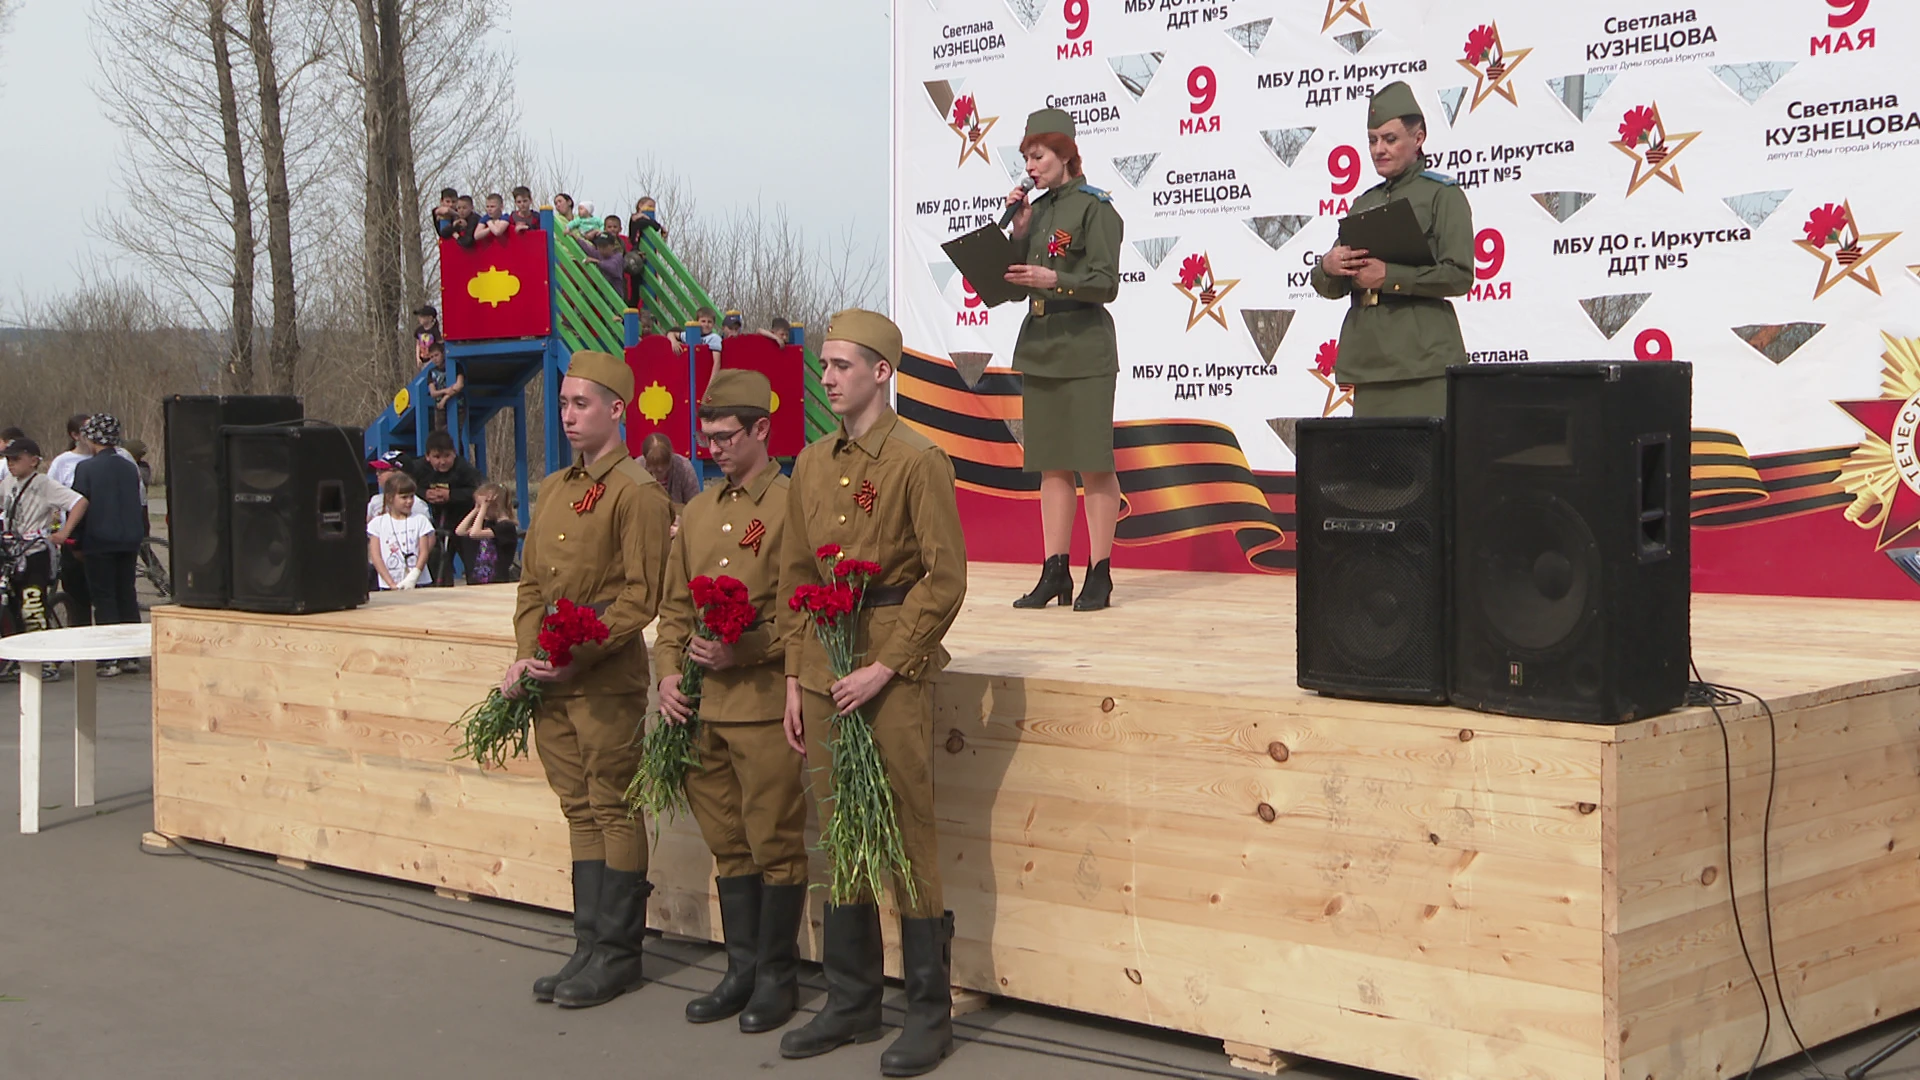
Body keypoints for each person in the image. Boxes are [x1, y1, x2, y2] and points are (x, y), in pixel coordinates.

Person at [775, 309, 968, 1074]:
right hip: (825, 664)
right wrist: (796, 674)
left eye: (842, 366)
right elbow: (795, 575)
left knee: (906, 828)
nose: (826, 378)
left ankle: (929, 1010)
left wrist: (887, 664)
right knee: (838, 824)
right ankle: (851, 1000)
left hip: (889, 667)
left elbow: (944, 577)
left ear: (882, 373)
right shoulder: (812, 464)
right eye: (823, 366)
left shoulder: (918, 461)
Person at [504, 350, 672, 1009]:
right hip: (551, 674)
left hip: (602, 677)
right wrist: (528, 653)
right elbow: (529, 587)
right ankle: (588, 943)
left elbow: (641, 597)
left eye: (581, 404)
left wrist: (582, 650)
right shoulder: (554, 489)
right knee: (578, 806)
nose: (568, 415)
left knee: (613, 805)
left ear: (616, 411)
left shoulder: (638, 492)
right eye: (565, 403)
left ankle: (619, 952)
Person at [653, 369, 807, 1033]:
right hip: (699, 709)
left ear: (761, 431)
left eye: (726, 436)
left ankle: (777, 978)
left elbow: (802, 614)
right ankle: (740, 970)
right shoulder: (700, 511)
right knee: (729, 845)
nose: (714, 448)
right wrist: (665, 673)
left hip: (761, 703)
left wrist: (743, 651)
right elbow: (673, 609)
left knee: (773, 841)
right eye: (708, 437)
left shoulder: (789, 506)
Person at [1002, 107, 1125, 613]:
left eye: (1039, 156)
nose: (1031, 167)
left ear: (1066, 153)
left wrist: (1058, 281)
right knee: (1050, 463)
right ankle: (1055, 569)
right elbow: (1012, 285)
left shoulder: (1096, 209)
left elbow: (1106, 283)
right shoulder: (1039, 212)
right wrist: (1017, 234)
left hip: (1085, 345)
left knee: (1092, 461)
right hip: (1042, 345)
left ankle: (1100, 571)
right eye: (1026, 158)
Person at [1311, 81, 1472, 419]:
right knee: (1375, 470)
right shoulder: (1362, 204)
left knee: (1426, 468)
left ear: (1418, 138)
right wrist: (1327, 266)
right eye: (1372, 140)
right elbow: (1331, 286)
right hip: (1369, 364)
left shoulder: (1442, 195)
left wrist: (1390, 277)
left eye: (1390, 139)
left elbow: (1459, 275)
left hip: (1422, 364)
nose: (1378, 149)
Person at [1, 438, 85, 682]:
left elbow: (79, 502)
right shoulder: (8, 483)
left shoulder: (44, 484)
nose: (12, 464)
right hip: (13, 551)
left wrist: (63, 532)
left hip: (36, 552)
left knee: (32, 605)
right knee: (14, 604)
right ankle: (19, 656)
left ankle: (46, 660)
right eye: (8, 459)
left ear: (33, 460)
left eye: (16, 459)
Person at [70, 414, 145, 676]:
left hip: (99, 538)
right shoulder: (128, 467)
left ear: (92, 439)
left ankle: (109, 657)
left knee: (104, 597)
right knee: (126, 593)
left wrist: (75, 542)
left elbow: (79, 506)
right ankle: (131, 654)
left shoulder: (86, 469)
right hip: (128, 538)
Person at [405, 430, 483, 585]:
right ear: (427, 457)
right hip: (435, 522)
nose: (442, 462)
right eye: (437, 457)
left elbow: (479, 490)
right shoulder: (419, 468)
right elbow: (406, 486)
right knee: (439, 563)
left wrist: (451, 495)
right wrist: (424, 493)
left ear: (454, 453)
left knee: (472, 563)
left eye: (447, 456)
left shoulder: (463, 468)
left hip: (463, 521)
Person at [47, 414, 93, 627]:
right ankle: (79, 642)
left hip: (99, 534)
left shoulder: (108, 456)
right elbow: (49, 496)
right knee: (76, 594)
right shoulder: (63, 462)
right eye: (85, 430)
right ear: (74, 435)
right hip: (73, 534)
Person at [368, 473, 435, 590]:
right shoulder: (377, 523)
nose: (409, 501)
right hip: (389, 583)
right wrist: (390, 584)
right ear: (390, 498)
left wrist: (413, 577)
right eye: (404, 497)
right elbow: (376, 556)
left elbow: (424, 552)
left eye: (411, 497)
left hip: (419, 582)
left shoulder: (420, 520)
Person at [454, 481, 519, 585]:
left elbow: (475, 534)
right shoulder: (486, 523)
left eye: (483, 506)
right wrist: (476, 509)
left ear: (494, 506)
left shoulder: (506, 527)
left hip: (496, 581)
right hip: (476, 581)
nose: (480, 511)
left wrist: (483, 508)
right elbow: (460, 531)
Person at [640, 432, 702, 511]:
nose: (660, 469)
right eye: (655, 465)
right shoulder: (637, 469)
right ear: (646, 459)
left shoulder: (684, 467)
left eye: (664, 464)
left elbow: (695, 504)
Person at [422, 342, 465, 433]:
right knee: (441, 436)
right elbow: (433, 393)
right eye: (432, 357)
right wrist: (446, 390)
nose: (435, 359)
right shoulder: (431, 372)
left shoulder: (455, 366)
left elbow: (459, 385)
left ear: (443, 353)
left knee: (456, 435)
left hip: (458, 405)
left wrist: (445, 398)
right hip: (440, 408)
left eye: (436, 355)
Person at [366, 467, 432, 525]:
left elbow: (428, 536)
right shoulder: (375, 500)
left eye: (383, 470)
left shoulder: (417, 505)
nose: (377, 473)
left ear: (398, 473)